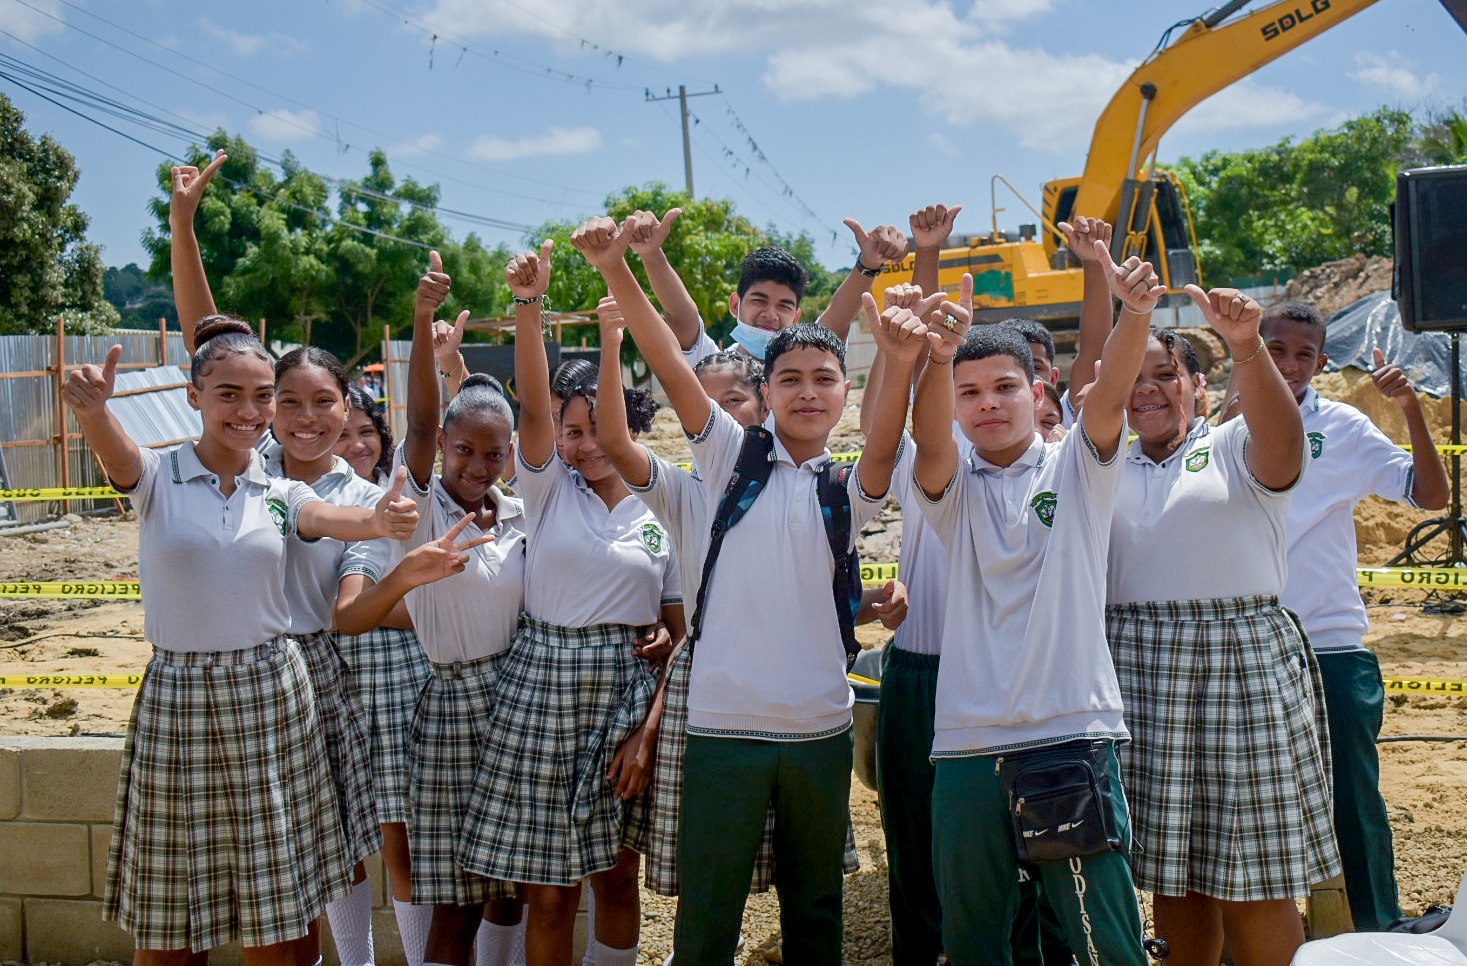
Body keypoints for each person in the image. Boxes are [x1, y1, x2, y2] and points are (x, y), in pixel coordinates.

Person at [575, 211, 914, 965]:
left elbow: (888, 440)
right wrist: (615, 269)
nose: (807, 393)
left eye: (824, 380)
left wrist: (898, 354)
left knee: (816, 909)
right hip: (722, 732)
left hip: (820, 734)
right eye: (789, 378)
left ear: (845, 392)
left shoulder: (846, 488)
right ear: (765, 392)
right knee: (709, 910)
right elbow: (667, 356)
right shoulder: (728, 462)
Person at [73, 314, 418, 965]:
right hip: (179, 703)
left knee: (282, 918)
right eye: (228, 393)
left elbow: (330, 516)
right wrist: (94, 411)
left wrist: (379, 517)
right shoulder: (157, 479)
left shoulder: (279, 490)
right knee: (171, 925)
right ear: (193, 396)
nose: (249, 409)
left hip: (273, 698)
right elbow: (117, 455)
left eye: (262, 394)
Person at [909, 221, 1162, 966]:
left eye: (1005, 387)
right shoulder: (953, 488)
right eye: (970, 393)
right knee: (976, 939)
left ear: (1040, 389)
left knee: (1104, 943)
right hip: (965, 744)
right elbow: (926, 445)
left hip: (1069, 733)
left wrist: (1134, 310)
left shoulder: (1077, 470)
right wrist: (937, 355)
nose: (988, 404)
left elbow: (1111, 391)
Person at [166, 150, 391, 966]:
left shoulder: (352, 492)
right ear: (261, 409)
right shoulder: (247, 464)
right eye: (281, 401)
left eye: (320, 403)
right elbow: (207, 336)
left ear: (348, 411)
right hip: (240, 671)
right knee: (257, 875)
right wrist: (183, 224)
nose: (299, 417)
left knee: (329, 851)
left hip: (319, 673)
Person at [1102, 277, 1338, 966]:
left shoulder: (1232, 446)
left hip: (1238, 669)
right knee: (1174, 879)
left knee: (1255, 880)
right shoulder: (1102, 463)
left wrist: (1247, 346)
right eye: (1134, 377)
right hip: (1141, 673)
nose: (1148, 389)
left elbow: (1284, 442)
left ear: (1199, 387)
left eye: (1166, 374)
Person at [455, 253, 681, 966]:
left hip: (625, 693)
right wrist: (530, 306)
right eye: (567, 430)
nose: (579, 445)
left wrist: (647, 729)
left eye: (592, 428)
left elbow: (679, 636)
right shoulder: (549, 491)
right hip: (542, 688)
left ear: (626, 426)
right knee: (549, 891)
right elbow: (528, 410)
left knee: (617, 877)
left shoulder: (667, 510)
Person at [1225, 300, 1447, 932]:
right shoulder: (1215, 427)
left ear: (1321, 363)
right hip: (1244, 647)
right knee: (1244, 803)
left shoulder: (1344, 428)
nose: (1288, 363)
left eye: (1303, 354)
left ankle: (1374, 930)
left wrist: (1411, 410)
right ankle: (1254, 938)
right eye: (1276, 348)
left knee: (1351, 798)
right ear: (1250, 346)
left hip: (1329, 646)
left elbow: (1430, 496)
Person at [342, 251, 529, 966]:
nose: (476, 467)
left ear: (511, 455)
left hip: (517, 702)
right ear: (442, 450)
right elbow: (419, 422)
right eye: (462, 452)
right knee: (453, 898)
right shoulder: (421, 510)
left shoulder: (519, 515)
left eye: (492, 454)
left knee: (510, 886)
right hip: (450, 707)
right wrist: (421, 321)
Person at [333, 383, 437, 959]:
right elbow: (324, 607)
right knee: (337, 838)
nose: (353, 444)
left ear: (382, 440)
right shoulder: (307, 500)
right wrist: (406, 613)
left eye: (364, 433)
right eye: (342, 433)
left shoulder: (404, 501)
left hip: (400, 683)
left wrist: (380, 614)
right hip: (334, 676)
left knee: (401, 834)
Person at [631, 207, 908, 365]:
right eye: (759, 301)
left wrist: (869, 264)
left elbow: (838, 317)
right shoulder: (710, 365)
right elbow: (682, 315)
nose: (770, 314)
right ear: (735, 305)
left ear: (797, 318)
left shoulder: (806, 365)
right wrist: (651, 254)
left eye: (784, 306)